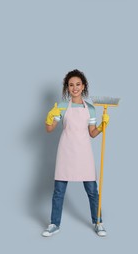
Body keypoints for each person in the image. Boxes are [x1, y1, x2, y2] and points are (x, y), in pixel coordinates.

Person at [42, 69, 109, 237]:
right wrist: (49, 118)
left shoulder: (91, 108)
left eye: (78, 84)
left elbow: (92, 133)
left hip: (84, 153)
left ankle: (98, 222)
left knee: (93, 191)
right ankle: (54, 223)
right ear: (67, 88)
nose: (75, 88)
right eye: (71, 85)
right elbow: (50, 130)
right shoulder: (63, 107)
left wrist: (102, 127)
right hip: (65, 152)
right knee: (58, 191)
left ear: (83, 86)